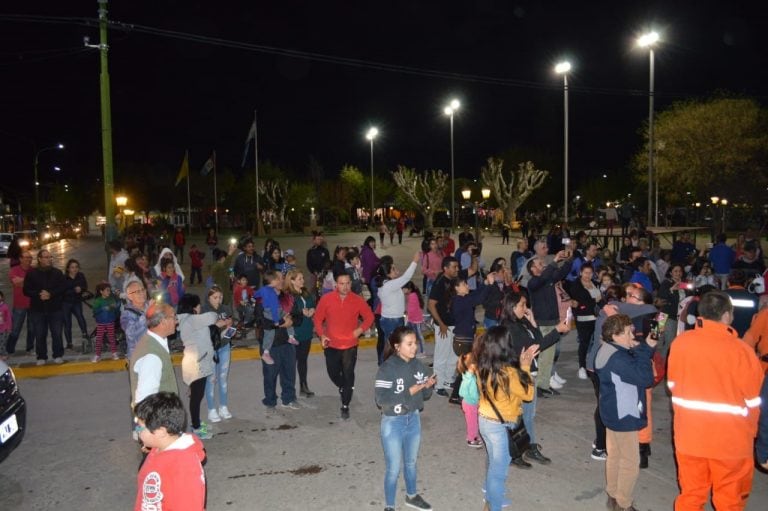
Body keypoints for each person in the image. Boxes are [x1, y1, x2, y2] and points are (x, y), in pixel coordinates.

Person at [667, 291, 764, 510]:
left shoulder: (681, 344)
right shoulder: (742, 352)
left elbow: (672, 386)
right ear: (727, 315)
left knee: (691, 496)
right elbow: (754, 402)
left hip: (689, 437)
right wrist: (753, 436)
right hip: (731, 442)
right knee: (729, 501)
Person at [499, 292, 570, 468]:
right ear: (512, 307)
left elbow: (537, 339)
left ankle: (528, 447)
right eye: (522, 305)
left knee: (529, 415)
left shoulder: (520, 322)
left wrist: (532, 322)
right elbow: (534, 349)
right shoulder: (510, 327)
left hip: (528, 374)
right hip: (518, 376)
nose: (526, 308)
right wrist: (557, 331)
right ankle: (514, 452)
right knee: (518, 416)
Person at [595, 314, 656, 511]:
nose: (633, 335)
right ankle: (623, 503)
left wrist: (644, 345)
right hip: (624, 415)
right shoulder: (619, 358)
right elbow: (645, 378)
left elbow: (633, 362)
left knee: (614, 455)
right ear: (616, 334)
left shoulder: (609, 349)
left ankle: (613, 495)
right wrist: (645, 351)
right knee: (630, 461)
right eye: (629, 332)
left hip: (613, 413)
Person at [474, 326, 539, 511]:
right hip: (499, 426)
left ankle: (489, 494)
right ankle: (494, 506)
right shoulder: (509, 373)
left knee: (493, 461)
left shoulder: (482, 366)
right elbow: (528, 394)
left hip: (485, 421)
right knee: (499, 471)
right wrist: (525, 366)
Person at [374, 326, 435, 511]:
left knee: (411, 462)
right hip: (393, 422)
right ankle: (390, 506)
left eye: (415, 343)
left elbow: (425, 396)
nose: (414, 347)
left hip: (413, 419)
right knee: (393, 468)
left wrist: (428, 386)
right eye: (409, 344)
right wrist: (411, 391)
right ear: (397, 346)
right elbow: (381, 400)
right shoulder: (387, 368)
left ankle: (412, 495)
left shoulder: (418, 365)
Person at [314, 273, 374, 420]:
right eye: (342, 283)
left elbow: (370, 317)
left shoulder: (357, 300)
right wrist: (322, 335)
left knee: (348, 374)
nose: (345, 286)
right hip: (331, 343)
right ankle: (343, 386)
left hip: (350, 344)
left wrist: (359, 330)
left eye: (347, 283)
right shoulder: (326, 299)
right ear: (336, 285)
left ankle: (345, 403)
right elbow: (317, 318)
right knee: (333, 373)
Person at [133, 392, 206, 511]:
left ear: (161, 432)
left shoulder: (183, 468)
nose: (137, 431)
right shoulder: (161, 447)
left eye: (140, 427)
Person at [526, 249, 573, 396]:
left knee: (549, 357)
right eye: (540, 263)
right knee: (544, 356)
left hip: (552, 322)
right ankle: (539, 385)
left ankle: (544, 384)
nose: (544, 264)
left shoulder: (548, 278)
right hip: (542, 323)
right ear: (533, 269)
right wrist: (554, 261)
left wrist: (569, 259)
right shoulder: (533, 282)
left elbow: (563, 272)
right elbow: (543, 278)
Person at [177, 293, 219, 440]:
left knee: (196, 396)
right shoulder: (191, 319)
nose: (200, 306)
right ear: (194, 307)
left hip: (196, 361)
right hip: (196, 364)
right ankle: (195, 427)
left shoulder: (189, 320)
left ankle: (197, 423)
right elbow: (213, 316)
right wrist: (216, 313)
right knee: (196, 397)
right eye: (199, 304)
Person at [129, 303, 180, 407]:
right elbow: (144, 400)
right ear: (163, 322)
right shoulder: (152, 356)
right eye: (174, 317)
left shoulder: (156, 342)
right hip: (159, 420)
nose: (176, 321)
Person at [23, 249, 66, 365]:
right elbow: (26, 290)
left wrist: (50, 294)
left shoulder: (57, 273)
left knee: (57, 333)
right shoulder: (32, 273)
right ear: (39, 259)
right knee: (40, 333)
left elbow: (62, 288)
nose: (49, 259)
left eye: (50, 257)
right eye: (46, 257)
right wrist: (39, 294)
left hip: (55, 309)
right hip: (37, 309)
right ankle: (41, 356)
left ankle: (58, 355)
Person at [376, 252, 420, 353]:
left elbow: (390, 298)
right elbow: (406, 277)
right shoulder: (390, 285)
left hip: (392, 319)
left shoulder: (386, 284)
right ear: (388, 273)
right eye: (393, 268)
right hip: (392, 320)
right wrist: (415, 261)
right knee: (393, 348)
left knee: (392, 346)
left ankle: (389, 365)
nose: (396, 270)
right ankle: (389, 366)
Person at [202, 286, 234, 422]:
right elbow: (201, 331)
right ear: (208, 298)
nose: (218, 300)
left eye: (220, 297)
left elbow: (232, 323)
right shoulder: (204, 311)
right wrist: (216, 325)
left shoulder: (225, 309)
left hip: (224, 346)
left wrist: (230, 326)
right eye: (215, 297)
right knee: (211, 379)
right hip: (210, 348)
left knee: (223, 378)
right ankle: (211, 409)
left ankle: (223, 406)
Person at [283, 269, 317, 397]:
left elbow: (312, 303)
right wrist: (300, 312)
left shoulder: (305, 292)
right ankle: (289, 389)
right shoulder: (288, 296)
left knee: (303, 360)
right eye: (300, 279)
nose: (303, 281)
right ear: (292, 281)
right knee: (291, 361)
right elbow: (286, 312)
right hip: (295, 332)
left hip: (307, 330)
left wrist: (312, 309)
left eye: (302, 278)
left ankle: (304, 386)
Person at [255, 270, 299, 365]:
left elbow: (298, 317)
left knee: (289, 378)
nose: (281, 281)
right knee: (270, 378)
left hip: (288, 345)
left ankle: (291, 338)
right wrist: (280, 324)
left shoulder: (289, 298)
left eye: (282, 278)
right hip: (271, 346)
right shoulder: (262, 299)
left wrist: (291, 322)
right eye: (277, 279)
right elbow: (260, 321)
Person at [569, 263, 601, 379]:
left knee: (598, 342)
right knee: (584, 343)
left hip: (598, 318)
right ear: (581, 273)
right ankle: (582, 367)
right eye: (586, 273)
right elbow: (580, 302)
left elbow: (599, 300)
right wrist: (594, 301)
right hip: (583, 319)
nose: (588, 275)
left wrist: (590, 302)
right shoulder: (575, 286)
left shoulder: (596, 284)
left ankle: (594, 365)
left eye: (590, 273)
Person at [5, 251, 35, 355]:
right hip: (19, 305)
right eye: (26, 257)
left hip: (33, 304)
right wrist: (29, 282)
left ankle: (30, 348)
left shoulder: (34, 270)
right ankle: (9, 350)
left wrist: (23, 281)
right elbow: (15, 282)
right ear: (21, 259)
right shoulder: (14, 270)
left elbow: (37, 283)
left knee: (32, 328)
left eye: (30, 258)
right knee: (15, 329)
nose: (28, 259)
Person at [61, 258, 89, 351]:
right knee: (67, 323)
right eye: (72, 267)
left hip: (76, 301)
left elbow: (85, 286)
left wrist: (81, 289)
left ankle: (85, 335)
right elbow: (62, 290)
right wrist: (74, 290)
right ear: (68, 268)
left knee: (80, 317)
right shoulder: (64, 278)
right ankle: (69, 343)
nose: (75, 269)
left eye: (76, 267)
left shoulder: (80, 276)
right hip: (66, 303)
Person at [723, 269, 759, 337]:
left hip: (725, 336)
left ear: (728, 282)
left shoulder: (720, 296)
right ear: (745, 283)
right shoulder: (754, 298)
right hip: (745, 338)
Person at [91, 281, 119, 362]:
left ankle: (114, 353)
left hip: (110, 322)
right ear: (101, 291)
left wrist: (115, 304)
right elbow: (94, 311)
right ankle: (97, 355)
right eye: (107, 290)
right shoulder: (98, 300)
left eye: (109, 290)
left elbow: (116, 307)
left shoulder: (111, 299)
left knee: (112, 338)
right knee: (99, 338)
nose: (109, 292)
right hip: (101, 323)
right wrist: (102, 308)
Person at [457, 352, 482, 447]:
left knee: (475, 421)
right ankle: (471, 439)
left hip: (471, 403)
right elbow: (464, 392)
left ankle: (475, 436)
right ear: (472, 365)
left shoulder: (469, 375)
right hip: (470, 404)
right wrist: (478, 399)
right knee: (472, 422)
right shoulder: (469, 378)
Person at [122, 280, 150, 360]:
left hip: (155, 351)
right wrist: (146, 314)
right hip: (139, 356)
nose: (142, 293)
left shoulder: (152, 306)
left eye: (143, 290)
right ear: (129, 296)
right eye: (137, 292)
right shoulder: (127, 314)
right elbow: (131, 334)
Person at [402, 281, 425, 357]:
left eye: (405, 289)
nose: (403, 290)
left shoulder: (412, 295)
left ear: (409, 289)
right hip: (412, 319)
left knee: (419, 336)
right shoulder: (411, 295)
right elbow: (410, 308)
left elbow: (411, 309)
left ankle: (423, 352)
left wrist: (407, 313)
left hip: (416, 320)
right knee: (411, 336)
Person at [0, 291, 10, 360]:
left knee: (2, 343)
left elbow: (8, 318)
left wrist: (8, 327)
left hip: (3, 329)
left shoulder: (5, 307)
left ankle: (4, 354)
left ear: (2, 297)